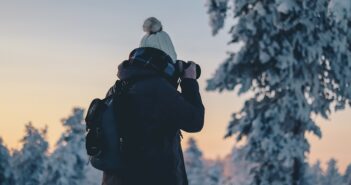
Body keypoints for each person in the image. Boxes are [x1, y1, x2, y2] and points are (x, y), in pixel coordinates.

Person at [102, 17, 205, 185]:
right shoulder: (157, 90)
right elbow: (195, 121)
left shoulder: (119, 87)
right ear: (167, 59)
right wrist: (189, 81)